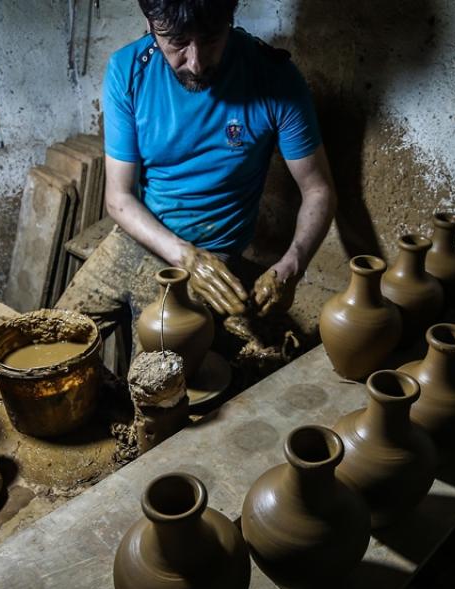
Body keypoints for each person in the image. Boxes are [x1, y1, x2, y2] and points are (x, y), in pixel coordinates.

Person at [55, 0, 336, 348]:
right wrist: (185, 255)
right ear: (150, 21)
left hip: (215, 254)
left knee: (154, 382)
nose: (196, 62)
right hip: (140, 234)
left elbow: (318, 190)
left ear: (230, 19)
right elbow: (119, 197)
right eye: (177, 43)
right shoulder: (127, 71)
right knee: (56, 345)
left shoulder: (273, 77)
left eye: (211, 39)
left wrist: (292, 265)